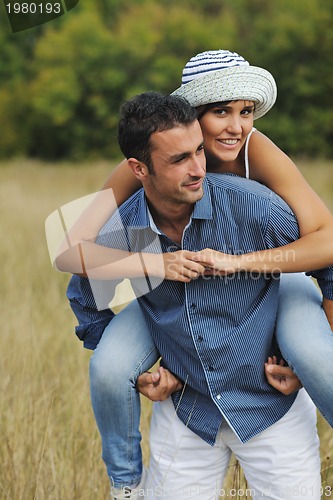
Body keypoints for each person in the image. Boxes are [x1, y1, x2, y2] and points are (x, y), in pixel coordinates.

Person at [51, 51, 333, 498]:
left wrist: (242, 263)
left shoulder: (256, 153)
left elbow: (326, 243)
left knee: (316, 356)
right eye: (220, 111)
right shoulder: (139, 178)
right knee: (110, 367)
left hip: (279, 267)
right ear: (189, 116)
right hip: (171, 291)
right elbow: (73, 253)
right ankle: (125, 486)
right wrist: (152, 264)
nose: (237, 126)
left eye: (246, 112)